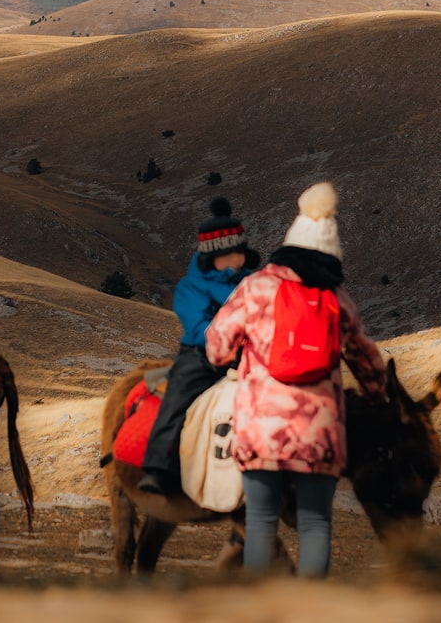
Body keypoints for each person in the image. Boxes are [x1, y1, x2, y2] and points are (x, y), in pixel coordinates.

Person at [205, 182, 387, 578]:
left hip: (261, 430)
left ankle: (260, 613)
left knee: (261, 522)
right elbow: (367, 359)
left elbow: (217, 346)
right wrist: (376, 395)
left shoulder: (257, 287)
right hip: (319, 432)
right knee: (316, 524)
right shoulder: (337, 297)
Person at [138, 196, 259, 496]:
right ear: (211, 257)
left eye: (238, 254)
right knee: (178, 397)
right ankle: (157, 467)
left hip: (250, 354)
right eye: (228, 255)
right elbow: (199, 328)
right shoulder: (191, 288)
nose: (235, 261)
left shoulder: (254, 281)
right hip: (201, 357)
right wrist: (231, 338)